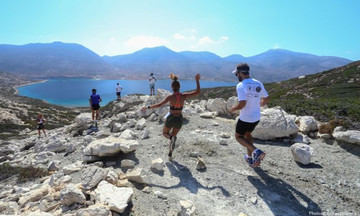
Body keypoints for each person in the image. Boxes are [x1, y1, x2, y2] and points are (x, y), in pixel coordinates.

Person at [142, 73, 201, 159]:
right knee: (174, 136)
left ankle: (170, 138)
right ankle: (170, 154)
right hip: (179, 120)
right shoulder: (184, 96)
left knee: (165, 133)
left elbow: (159, 105)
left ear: (172, 87)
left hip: (171, 118)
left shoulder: (170, 97)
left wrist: (147, 107)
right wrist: (197, 80)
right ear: (179, 87)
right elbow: (198, 92)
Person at [230, 63, 269, 168]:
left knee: (238, 137)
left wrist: (233, 108)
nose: (237, 76)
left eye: (236, 74)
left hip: (245, 118)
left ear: (240, 73)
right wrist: (258, 105)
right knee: (248, 135)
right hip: (256, 117)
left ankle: (256, 151)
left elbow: (242, 104)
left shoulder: (241, 85)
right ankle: (249, 157)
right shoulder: (258, 83)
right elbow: (266, 98)